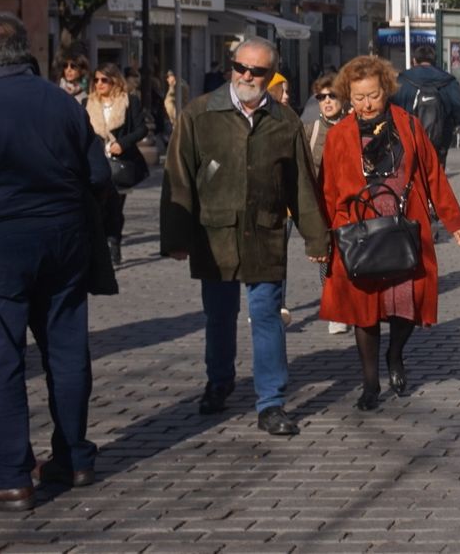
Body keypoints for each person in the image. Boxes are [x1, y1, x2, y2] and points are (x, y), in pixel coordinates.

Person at [0, 13, 109, 511]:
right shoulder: (63, 103)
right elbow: (99, 174)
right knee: (67, 351)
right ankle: (73, 456)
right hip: (65, 242)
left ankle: (10, 471)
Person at [160, 38, 330, 436]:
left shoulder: (285, 121)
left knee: (267, 315)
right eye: (240, 68)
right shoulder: (199, 114)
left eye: (256, 71)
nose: (246, 77)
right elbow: (178, 178)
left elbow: (301, 185)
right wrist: (175, 236)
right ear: (231, 67)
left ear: (270, 76)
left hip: (265, 232)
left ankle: (271, 402)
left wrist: (316, 239)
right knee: (219, 316)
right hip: (214, 233)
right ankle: (218, 382)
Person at [318, 56, 460, 411]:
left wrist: (454, 221)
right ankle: (370, 383)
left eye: (372, 95)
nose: (366, 104)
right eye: (357, 98)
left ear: (385, 90)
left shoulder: (409, 126)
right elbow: (326, 188)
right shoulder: (339, 135)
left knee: (407, 303)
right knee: (363, 308)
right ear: (347, 96)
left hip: (403, 223)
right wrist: (324, 237)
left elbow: (433, 175)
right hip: (356, 228)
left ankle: (395, 355)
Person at [304, 72, 352, 335]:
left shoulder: (354, 127)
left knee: (352, 257)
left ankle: (351, 305)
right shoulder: (310, 130)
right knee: (327, 258)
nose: (327, 101)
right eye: (321, 97)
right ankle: (336, 310)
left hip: (352, 206)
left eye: (332, 95)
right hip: (322, 206)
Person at [88, 63, 148, 267]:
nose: (99, 84)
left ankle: (113, 244)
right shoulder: (88, 104)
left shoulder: (129, 102)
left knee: (114, 207)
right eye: (96, 80)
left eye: (104, 80)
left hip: (120, 165)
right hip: (96, 164)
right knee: (97, 208)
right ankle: (101, 246)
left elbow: (141, 130)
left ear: (114, 81)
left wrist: (122, 143)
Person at [390, 44, 460, 169]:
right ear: (434, 60)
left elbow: (392, 106)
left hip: (408, 138)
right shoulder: (448, 81)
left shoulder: (402, 81)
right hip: (440, 139)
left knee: (411, 177)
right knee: (436, 176)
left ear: (414, 61)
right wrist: (452, 124)